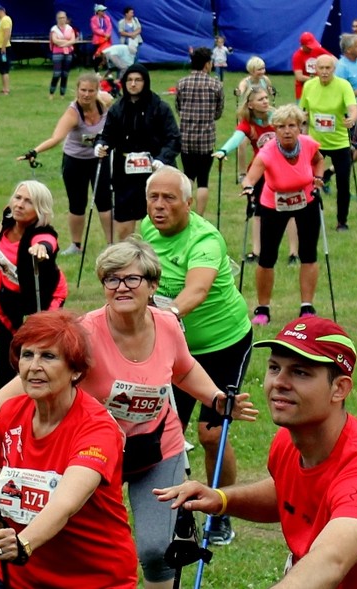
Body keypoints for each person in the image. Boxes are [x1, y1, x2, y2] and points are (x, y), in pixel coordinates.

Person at [0, 238, 258, 588]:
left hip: (153, 447)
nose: (120, 286)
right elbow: (38, 373)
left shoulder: (168, 325)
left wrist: (216, 398)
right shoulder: (85, 332)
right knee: (74, 531)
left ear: (153, 284)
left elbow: (183, 370)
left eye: (131, 279)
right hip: (90, 448)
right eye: (111, 278)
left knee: (158, 548)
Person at [155, 315, 357, 589]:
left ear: (339, 389)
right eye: (274, 368)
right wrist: (221, 499)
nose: (279, 382)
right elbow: (287, 491)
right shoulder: (288, 440)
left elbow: (330, 561)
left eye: (300, 372)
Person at [0, 310, 139, 589]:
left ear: (76, 370)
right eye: (27, 354)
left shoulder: (96, 429)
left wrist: (23, 543)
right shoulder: (11, 412)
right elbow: (5, 480)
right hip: (19, 579)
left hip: (93, 580)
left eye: (48, 356)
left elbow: (65, 504)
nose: (34, 366)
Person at [141, 166, 253, 545]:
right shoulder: (146, 228)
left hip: (223, 344)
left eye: (169, 198)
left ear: (189, 202)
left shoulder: (205, 240)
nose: (159, 206)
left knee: (210, 433)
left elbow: (198, 290)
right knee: (165, 433)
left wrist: (164, 315)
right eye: (153, 197)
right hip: (177, 347)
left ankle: (221, 510)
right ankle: (172, 512)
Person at [0, 180, 68, 387]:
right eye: (18, 198)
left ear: (39, 210)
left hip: (44, 294)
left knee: (42, 346)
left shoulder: (43, 232)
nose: (19, 204)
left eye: (28, 202)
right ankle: (4, 403)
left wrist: (42, 249)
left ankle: (47, 390)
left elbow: (47, 242)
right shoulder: (8, 217)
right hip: (5, 293)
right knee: (8, 347)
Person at [241, 104, 325, 326]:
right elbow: (251, 176)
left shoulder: (307, 144)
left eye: (291, 126)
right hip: (274, 205)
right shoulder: (268, 151)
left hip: (306, 200)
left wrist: (319, 178)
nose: (287, 131)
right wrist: (248, 186)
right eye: (281, 127)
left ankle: (307, 306)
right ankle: (263, 309)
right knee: (267, 257)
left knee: (309, 253)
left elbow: (318, 160)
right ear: (274, 129)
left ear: (300, 128)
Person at [18, 72, 114, 253]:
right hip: (75, 160)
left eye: (91, 91)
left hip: (100, 158)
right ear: (76, 90)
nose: (86, 94)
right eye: (83, 90)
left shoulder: (105, 103)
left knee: (104, 202)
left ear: (97, 91)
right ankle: (76, 245)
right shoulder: (73, 112)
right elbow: (56, 138)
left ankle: (111, 244)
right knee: (77, 203)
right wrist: (35, 151)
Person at [94, 64, 181, 240]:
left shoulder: (159, 107)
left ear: (145, 82)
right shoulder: (117, 108)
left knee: (158, 218)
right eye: (129, 80)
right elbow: (108, 135)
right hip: (125, 173)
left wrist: (162, 159)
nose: (133, 84)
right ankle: (127, 258)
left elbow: (174, 138)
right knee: (124, 223)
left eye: (138, 80)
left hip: (154, 171)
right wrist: (101, 145)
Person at [214, 86, 299, 265]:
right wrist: (223, 150)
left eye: (266, 98)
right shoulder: (247, 123)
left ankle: (293, 253)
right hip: (260, 171)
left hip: (283, 169)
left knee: (289, 209)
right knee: (257, 211)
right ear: (250, 104)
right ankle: (256, 251)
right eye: (260, 99)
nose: (265, 101)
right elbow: (236, 138)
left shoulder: (276, 118)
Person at [299, 54, 357, 231]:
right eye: (321, 68)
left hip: (339, 143)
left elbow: (352, 108)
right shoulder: (309, 86)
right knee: (307, 181)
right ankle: (308, 216)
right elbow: (303, 111)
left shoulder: (343, 85)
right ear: (315, 69)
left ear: (334, 69)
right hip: (315, 143)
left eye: (328, 68)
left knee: (343, 183)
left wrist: (352, 119)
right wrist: (301, 129)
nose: (324, 72)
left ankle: (342, 221)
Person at [176, 47, 223, 216]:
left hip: (186, 137)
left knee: (188, 176)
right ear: (207, 64)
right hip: (206, 138)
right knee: (203, 180)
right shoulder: (215, 84)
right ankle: (200, 215)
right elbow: (219, 112)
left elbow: (178, 107)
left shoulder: (182, 83)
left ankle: (185, 212)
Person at [236, 56, 275, 181]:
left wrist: (271, 91)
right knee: (242, 144)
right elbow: (241, 89)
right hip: (251, 117)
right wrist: (238, 92)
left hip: (265, 116)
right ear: (252, 71)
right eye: (259, 69)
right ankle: (242, 173)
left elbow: (269, 90)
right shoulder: (246, 82)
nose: (262, 72)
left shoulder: (265, 80)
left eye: (263, 68)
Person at [335, 33, 357, 163]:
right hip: (348, 116)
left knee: (356, 154)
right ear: (348, 50)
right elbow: (337, 93)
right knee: (351, 153)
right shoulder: (342, 67)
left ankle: (329, 173)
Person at [291, 32, 332, 101]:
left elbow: (333, 59)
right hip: (302, 91)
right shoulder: (297, 56)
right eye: (308, 46)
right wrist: (318, 79)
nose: (311, 48)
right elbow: (299, 77)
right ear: (302, 45)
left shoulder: (317, 50)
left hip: (318, 89)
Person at [48, 11, 76, 99]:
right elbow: (55, 40)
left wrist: (63, 43)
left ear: (66, 18)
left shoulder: (70, 28)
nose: (62, 19)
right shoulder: (54, 29)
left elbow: (73, 40)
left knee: (65, 74)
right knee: (57, 73)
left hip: (68, 53)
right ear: (57, 19)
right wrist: (67, 42)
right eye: (60, 18)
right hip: (57, 52)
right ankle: (51, 93)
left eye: (63, 17)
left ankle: (62, 94)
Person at [0, 5, 12, 95]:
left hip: (3, 48)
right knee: (1, 69)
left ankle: (6, 89)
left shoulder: (5, 20)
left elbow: (7, 33)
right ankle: (4, 87)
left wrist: (3, 46)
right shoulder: (1, 21)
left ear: (0, 11)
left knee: (4, 68)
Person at [90, 4, 112, 71]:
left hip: (106, 40)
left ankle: (108, 71)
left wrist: (108, 34)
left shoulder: (107, 18)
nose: (104, 12)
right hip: (97, 40)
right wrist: (104, 34)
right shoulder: (93, 19)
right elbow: (95, 29)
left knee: (107, 55)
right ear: (98, 11)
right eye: (102, 10)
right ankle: (96, 71)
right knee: (97, 55)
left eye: (104, 10)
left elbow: (109, 27)